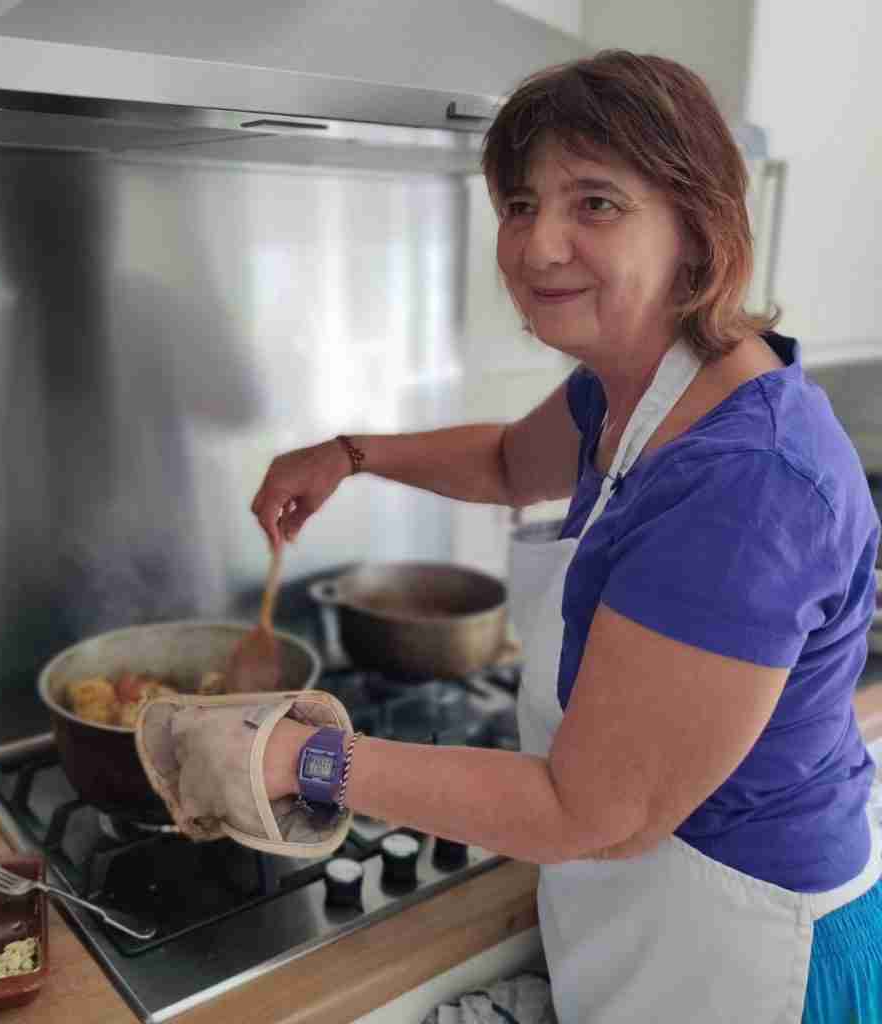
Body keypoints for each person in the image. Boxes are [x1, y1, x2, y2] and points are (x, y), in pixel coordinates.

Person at [247, 51, 882, 1022]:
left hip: (752, 954)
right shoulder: (639, 377)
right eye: (517, 203)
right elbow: (509, 460)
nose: (537, 245)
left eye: (594, 203)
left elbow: (589, 811)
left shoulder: (747, 483)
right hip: (651, 917)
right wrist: (349, 453)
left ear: (694, 225)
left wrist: (304, 762)